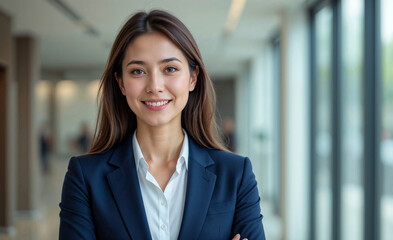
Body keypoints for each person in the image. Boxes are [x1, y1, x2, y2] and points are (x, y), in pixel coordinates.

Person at [59, 10, 265, 240]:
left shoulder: (236, 174)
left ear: (193, 78)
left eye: (170, 69)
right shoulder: (86, 178)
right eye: (138, 71)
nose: (155, 86)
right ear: (121, 83)